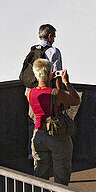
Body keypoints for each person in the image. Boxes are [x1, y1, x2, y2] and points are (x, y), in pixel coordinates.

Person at [26, 58, 80, 187]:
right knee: (61, 177)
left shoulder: (30, 93)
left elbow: (43, 106)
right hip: (57, 136)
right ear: (49, 72)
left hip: (38, 134)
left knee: (40, 177)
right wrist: (67, 83)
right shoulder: (56, 93)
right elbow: (76, 100)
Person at [20, 24, 64, 163]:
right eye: (54, 36)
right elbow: (57, 75)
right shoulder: (54, 51)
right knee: (49, 122)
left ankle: (31, 152)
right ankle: (48, 153)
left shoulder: (33, 49)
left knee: (32, 122)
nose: (54, 39)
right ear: (50, 36)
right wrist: (60, 95)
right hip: (47, 93)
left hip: (31, 93)